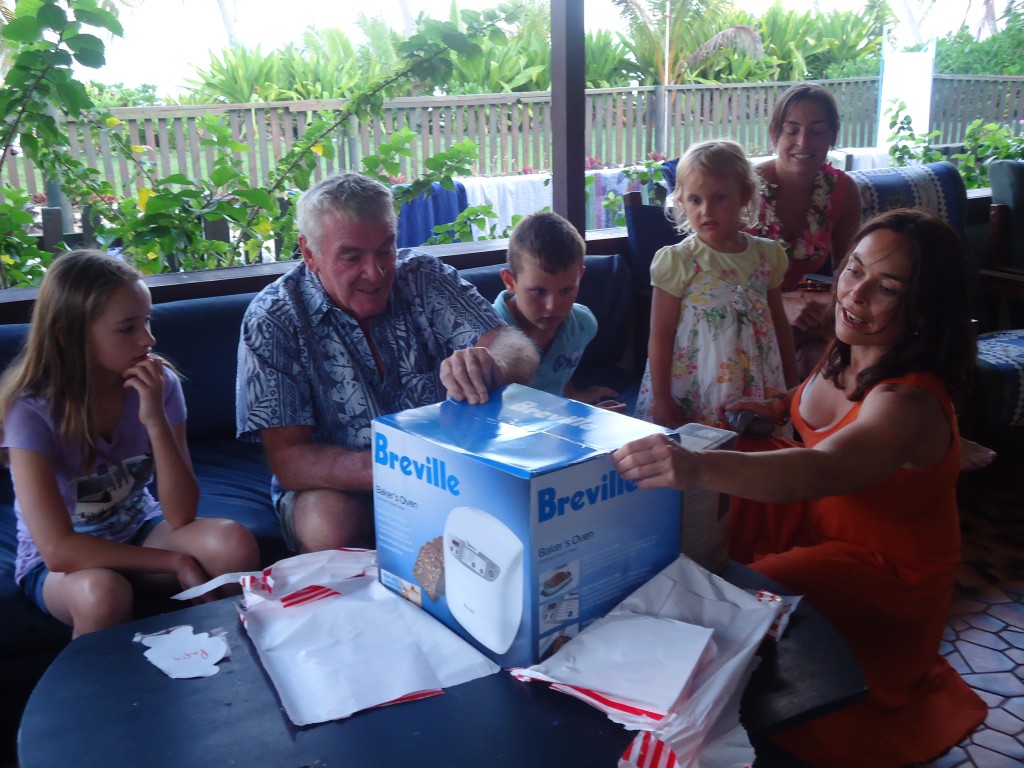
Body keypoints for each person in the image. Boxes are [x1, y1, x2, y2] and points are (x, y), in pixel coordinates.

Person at [613, 209, 987, 767]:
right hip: (823, 515)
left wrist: (694, 465)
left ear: (923, 310)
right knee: (704, 524)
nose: (855, 296)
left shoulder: (908, 403)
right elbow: (810, 402)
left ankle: (728, 727)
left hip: (883, 566)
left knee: (751, 597)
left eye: (885, 288)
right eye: (853, 270)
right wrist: (777, 405)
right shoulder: (851, 349)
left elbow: (825, 467)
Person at [236, 172, 539, 554]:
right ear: (310, 253)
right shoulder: (273, 318)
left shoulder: (424, 277)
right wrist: (414, 471)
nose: (376, 272)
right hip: (349, 487)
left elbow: (517, 347)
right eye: (352, 257)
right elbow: (290, 461)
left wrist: (489, 364)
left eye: (385, 250)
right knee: (327, 522)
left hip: (454, 467)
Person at [0, 250, 259, 638]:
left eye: (147, 320)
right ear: (67, 334)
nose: (148, 339)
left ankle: (239, 662)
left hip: (140, 528)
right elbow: (58, 550)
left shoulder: (158, 385)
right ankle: (93, 698)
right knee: (103, 591)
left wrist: (155, 419)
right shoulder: (31, 411)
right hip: (62, 567)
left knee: (231, 542)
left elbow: (181, 513)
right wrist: (173, 562)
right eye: (127, 328)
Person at [749, 81, 995, 470]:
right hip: (750, 308)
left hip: (815, 305)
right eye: (791, 128)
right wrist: (782, 303)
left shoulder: (841, 189)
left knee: (848, 340)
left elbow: (854, 268)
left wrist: (824, 307)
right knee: (833, 340)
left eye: (817, 128)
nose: (802, 139)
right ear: (774, 132)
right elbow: (721, 274)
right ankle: (813, 455)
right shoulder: (746, 188)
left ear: (833, 134)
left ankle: (919, 429)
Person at [634, 139, 799, 430]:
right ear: (682, 201)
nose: (706, 210)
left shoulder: (767, 255)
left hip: (757, 381)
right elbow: (660, 333)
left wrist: (792, 386)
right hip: (696, 386)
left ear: (744, 195)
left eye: (719, 198)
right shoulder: (678, 261)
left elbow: (779, 324)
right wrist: (661, 398)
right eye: (695, 200)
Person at [492, 211, 621, 407]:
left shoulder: (583, 325)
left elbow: (560, 367)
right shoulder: (486, 333)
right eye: (538, 291)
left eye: (566, 290)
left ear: (580, 277)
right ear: (510, 281)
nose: (553, 306)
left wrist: (575, 399)